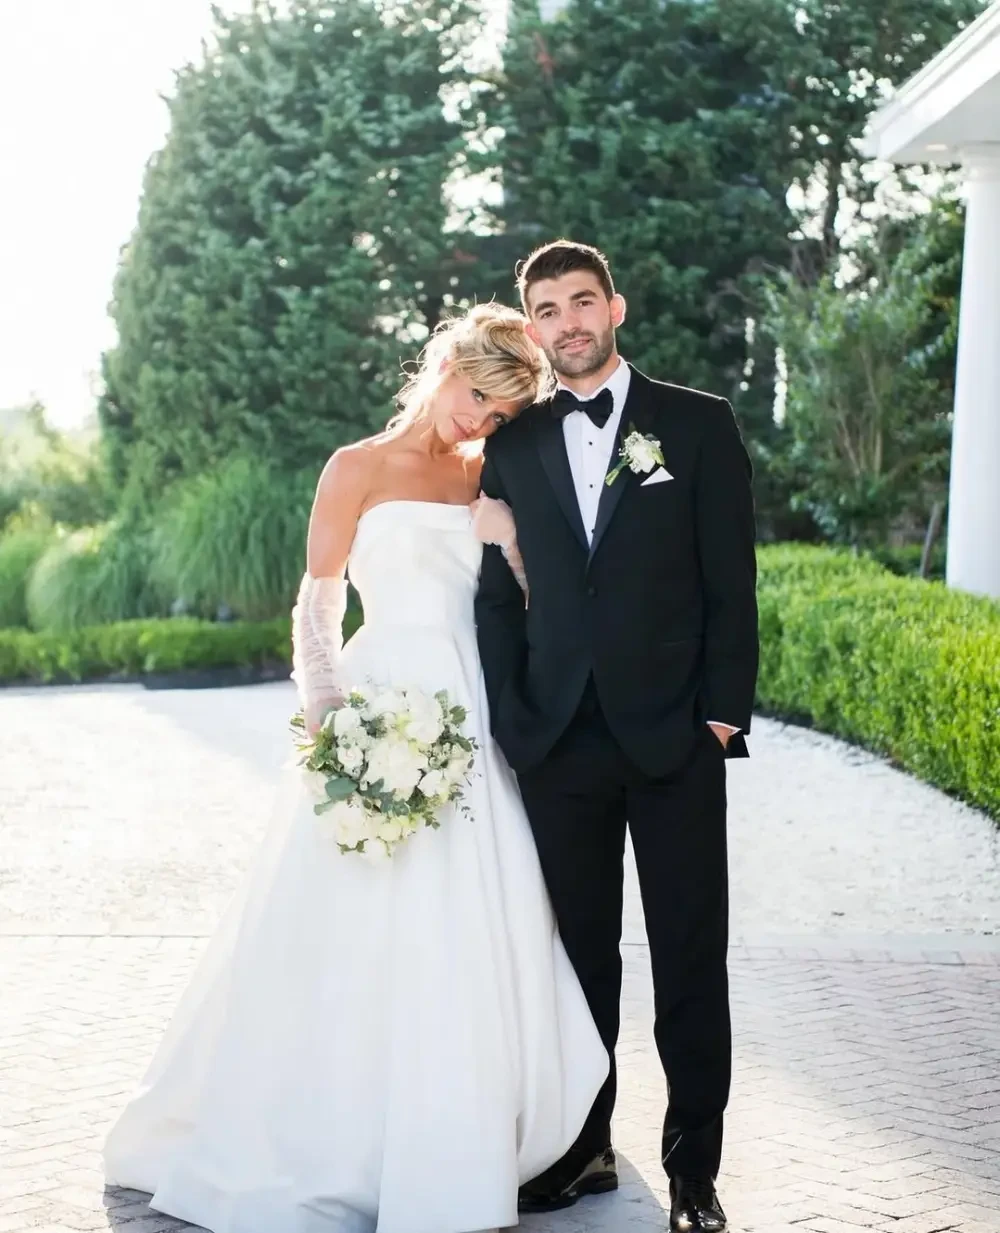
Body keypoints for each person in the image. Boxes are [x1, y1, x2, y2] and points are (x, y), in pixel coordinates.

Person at [103, 303, 608, 1233]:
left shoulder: (490, 476)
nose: (479, 420)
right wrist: (331, 717)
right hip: (377, 705)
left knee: (469, 924)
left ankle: (453, 1140)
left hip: (469, 714)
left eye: (500, 413)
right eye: (476, 397)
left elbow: (534, 603)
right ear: (447, 366)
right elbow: (318, 607)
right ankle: (329, 1134)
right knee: (344, 928)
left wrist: (508, 538)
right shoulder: (355, 468)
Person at [474, 241, 759, 1233]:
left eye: (582, 301)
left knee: (689, 959)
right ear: (534, 327)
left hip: (676, 738)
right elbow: (496, 598)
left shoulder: (697, 423)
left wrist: (721, 716)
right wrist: (514, 720)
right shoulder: (512, 445)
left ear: (616, 308)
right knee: (578, 963)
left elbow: (731, 583)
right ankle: (583, 1147)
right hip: (558, 743)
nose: (569, 323)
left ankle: (693, 1173)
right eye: (549, 309)